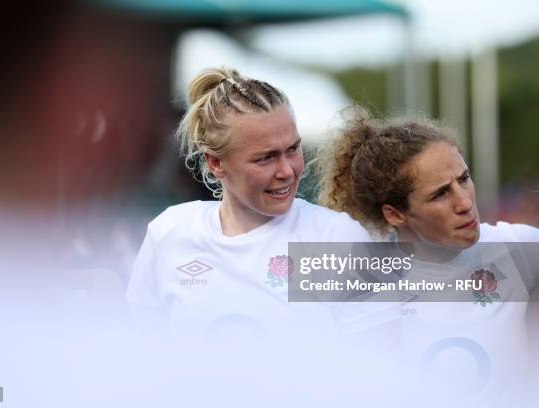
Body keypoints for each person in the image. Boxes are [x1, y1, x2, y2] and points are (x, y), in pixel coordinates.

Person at [126, 67, 374, 337]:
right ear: (216, 163)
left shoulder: (335, 238)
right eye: (265, 158)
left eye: (292, 149)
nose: (287, 171)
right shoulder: (170, 232)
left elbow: (380, 362)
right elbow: (143, 355)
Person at [318, 108, 539, 396]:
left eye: (463, 179)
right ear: (395, 214)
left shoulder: (519, 249)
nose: (464, 202)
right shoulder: (362, 279)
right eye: (440, 194)